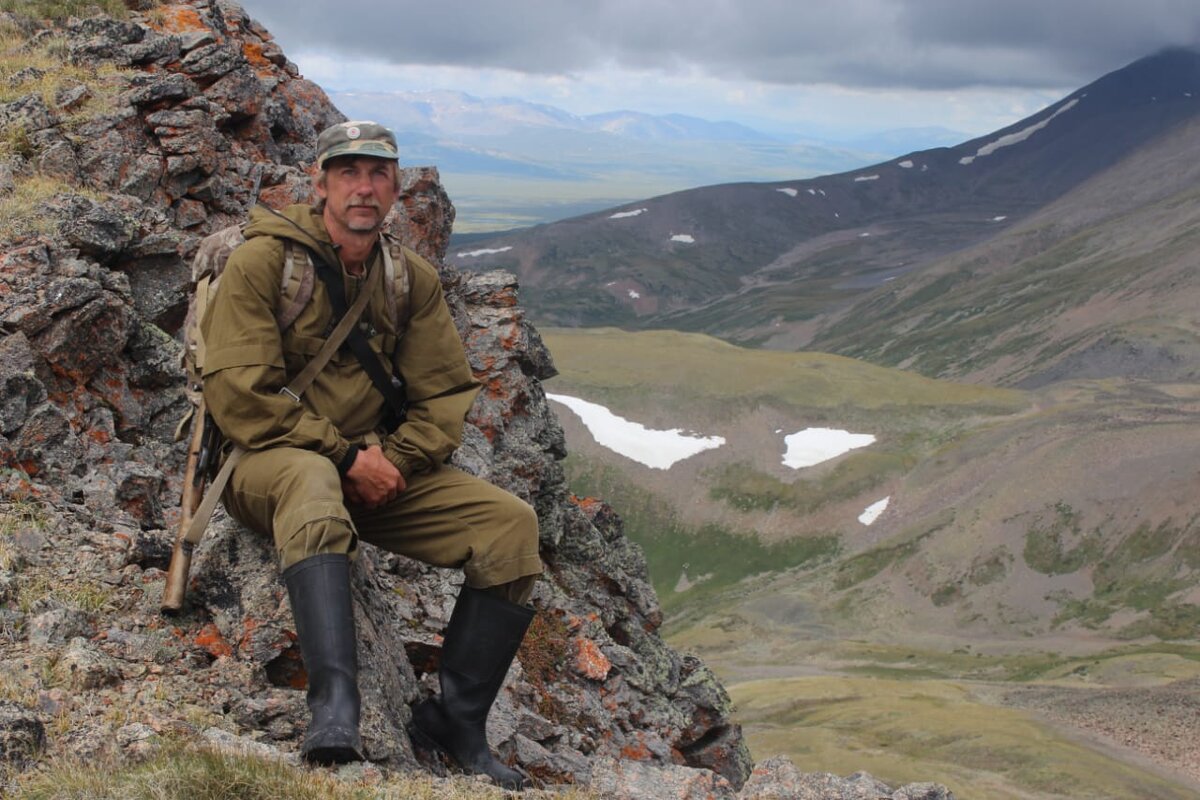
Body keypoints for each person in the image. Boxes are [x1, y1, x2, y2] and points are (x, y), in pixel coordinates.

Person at [199, 120, 543, 789]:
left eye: (378, 173)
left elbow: (444, 395)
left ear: (394, 188)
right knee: (310, 479)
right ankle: (334, 708)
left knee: (509, 527)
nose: (363, 187)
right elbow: (241, 397)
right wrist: (345, 456)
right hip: (268, 464)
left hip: (370, 473)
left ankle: (456, 723)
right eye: (348, 172)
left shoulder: (407, 279)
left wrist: (395, 461)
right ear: (321, 183)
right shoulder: (264, 261)